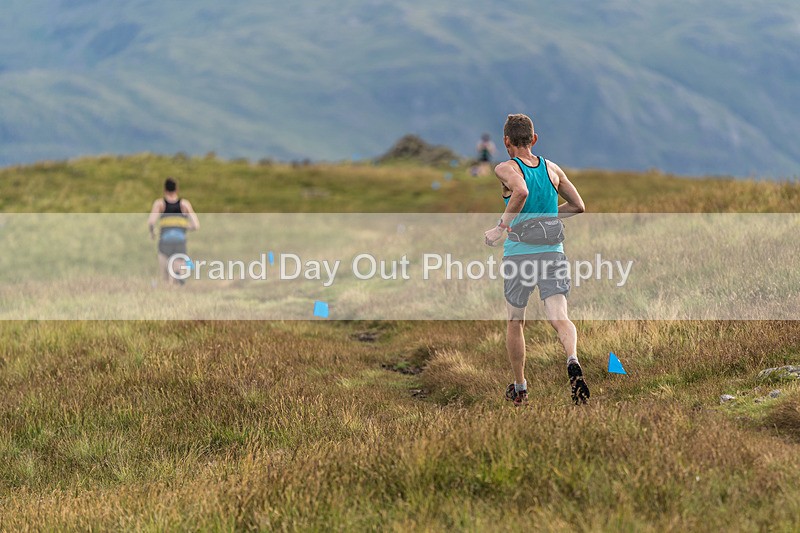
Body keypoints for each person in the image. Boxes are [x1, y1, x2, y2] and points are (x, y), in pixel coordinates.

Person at [483, 114, 589, 406]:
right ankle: (572, 358)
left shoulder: (505, 167)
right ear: (534, 139)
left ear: (506, 141)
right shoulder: (552, 168)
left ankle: (520, 388)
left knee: (516, 321)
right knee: (559, 317)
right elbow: (579, 206)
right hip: (553, 251)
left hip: (520, 254)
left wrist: (500, 229)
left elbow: (521, 190)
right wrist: (548, 217)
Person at [147, 177, 199, 285]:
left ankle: (168, 286)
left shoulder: (160, 204)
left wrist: (153, 233)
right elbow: (196, 225)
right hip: (180, 241)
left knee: (165, 274)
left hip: (165, 242)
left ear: (165, 190)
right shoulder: (184, 204)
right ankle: (178, 274)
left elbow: (151, 222)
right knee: (178, 266)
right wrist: (183, 227)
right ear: (177, 189)